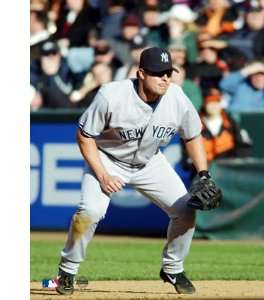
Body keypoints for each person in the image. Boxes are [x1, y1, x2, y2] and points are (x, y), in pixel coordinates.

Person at [55, 47, 219, 295]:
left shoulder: (177, 97)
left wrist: (204, 173)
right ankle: (67, 270)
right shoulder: (112, 95)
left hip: (150, 162)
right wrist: (102, 174)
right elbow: (85, 135)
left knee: (186, 209)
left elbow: (193, 135)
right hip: (107, 159)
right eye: (157, 73)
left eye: (168, 72)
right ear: (141, 73)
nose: (164, 78)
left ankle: (173, 268)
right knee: (90, 211)